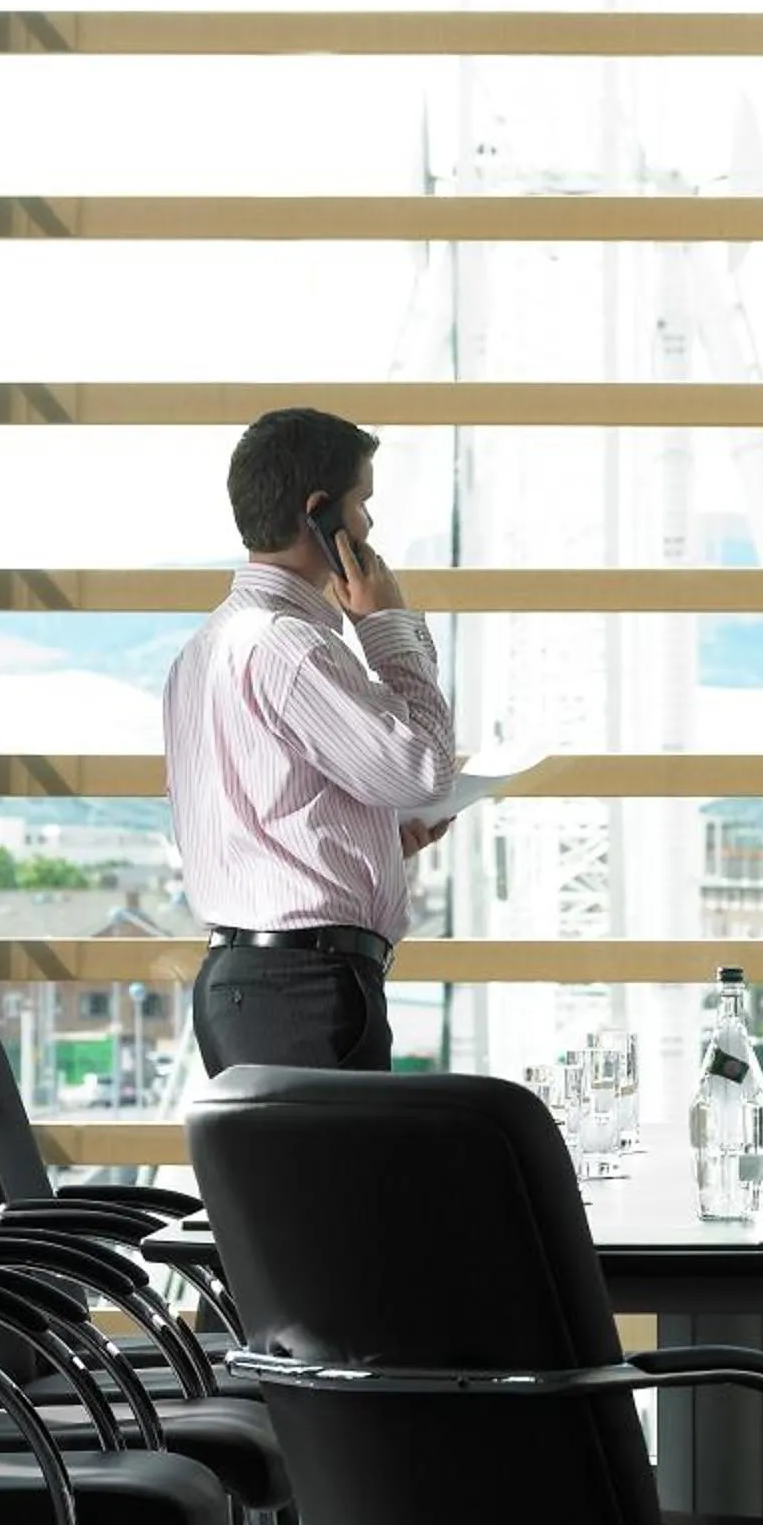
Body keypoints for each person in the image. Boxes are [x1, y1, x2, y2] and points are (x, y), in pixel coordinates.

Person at [165, 408, 459, 1075]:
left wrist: (380, 836)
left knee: (299, 1184)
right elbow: (424, 771)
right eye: (363, 504)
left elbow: (254, 821)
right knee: (342, 1184)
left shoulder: (206, 647)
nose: (370, 528)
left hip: (254, 986)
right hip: (304, 990)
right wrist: (388, 628)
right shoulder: (290, 647)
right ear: (320, 512)